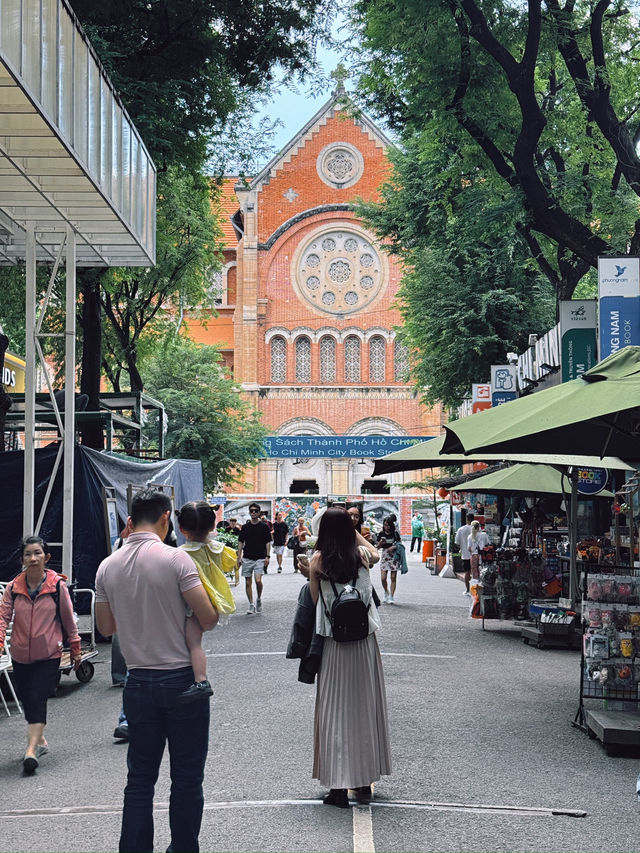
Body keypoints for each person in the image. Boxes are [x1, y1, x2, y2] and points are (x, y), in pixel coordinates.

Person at [96, 488, 219, 853]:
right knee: (185, 778)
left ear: (132, 518)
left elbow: (105, 628)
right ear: (166, 518)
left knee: (139, 780)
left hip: (138, 683)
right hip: (182, 680)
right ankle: (182, 847)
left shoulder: (108, 566)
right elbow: (209, 618)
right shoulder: (176, 561)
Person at [308, 507, 391, 808]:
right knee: (363, 709)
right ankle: (362, 781)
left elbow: (317, 601)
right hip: (364, 643)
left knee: (334, 712)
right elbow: (375, 552)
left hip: (333, 644)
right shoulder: (362, 556)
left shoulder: (316, 562)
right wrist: (353, 531)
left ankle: (337, 789)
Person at [0, 535, 82, 774]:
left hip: (49, 654)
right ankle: (41, 741)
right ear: (22, 559)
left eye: (37, 553)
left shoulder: (57, 586)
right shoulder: (14, 588)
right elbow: (3, 616)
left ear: (46, 557)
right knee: (28, 700)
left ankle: (31, 750)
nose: (32, 558)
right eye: (28, 554)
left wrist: (75, 647)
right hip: (21, 655)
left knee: (37, 698)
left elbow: (68, 619)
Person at [177, 501, 236, 700]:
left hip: (192, 604)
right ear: (212, 526)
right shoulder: (218, 548)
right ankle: (200, 678)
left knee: (193, 644)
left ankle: (201, 679)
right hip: (214, 600)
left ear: (181, 528)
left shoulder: (181, 554)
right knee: (195, 642)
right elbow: (231, 562)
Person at [237, 502, 272, 613]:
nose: (253, 512)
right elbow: (240, 542)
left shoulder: (264, 527)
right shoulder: (245, 527)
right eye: (251, 511)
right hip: (247, 557)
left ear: (259, 513)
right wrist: (239, 557)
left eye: (255, 511)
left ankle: (259, 599)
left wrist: (268, 556)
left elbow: (268, 542)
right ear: (249, 512)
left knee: (258, 580)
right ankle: (251, 605)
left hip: (260, 557)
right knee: (248, 582)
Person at [377, 518, 399, 604]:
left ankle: (391, 596)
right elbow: (377, 547)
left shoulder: (395, 534)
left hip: (394, 556)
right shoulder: (381, 534)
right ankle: (386, 591)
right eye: (385, 525)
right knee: (383, 578)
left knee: (393, 577)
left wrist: (393, 547)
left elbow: (399, 544)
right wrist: (380, 543)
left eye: (388, 525)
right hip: (385, 555)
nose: (387, 527)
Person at [454, 512, 474, 596]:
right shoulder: (477, 529)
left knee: (467, 573)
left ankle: (467, 590)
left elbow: (457, 543)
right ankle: (475, 590)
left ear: (466, 519)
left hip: (465, 555)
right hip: (476, 555)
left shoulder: (461, 530)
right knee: (476, 573)